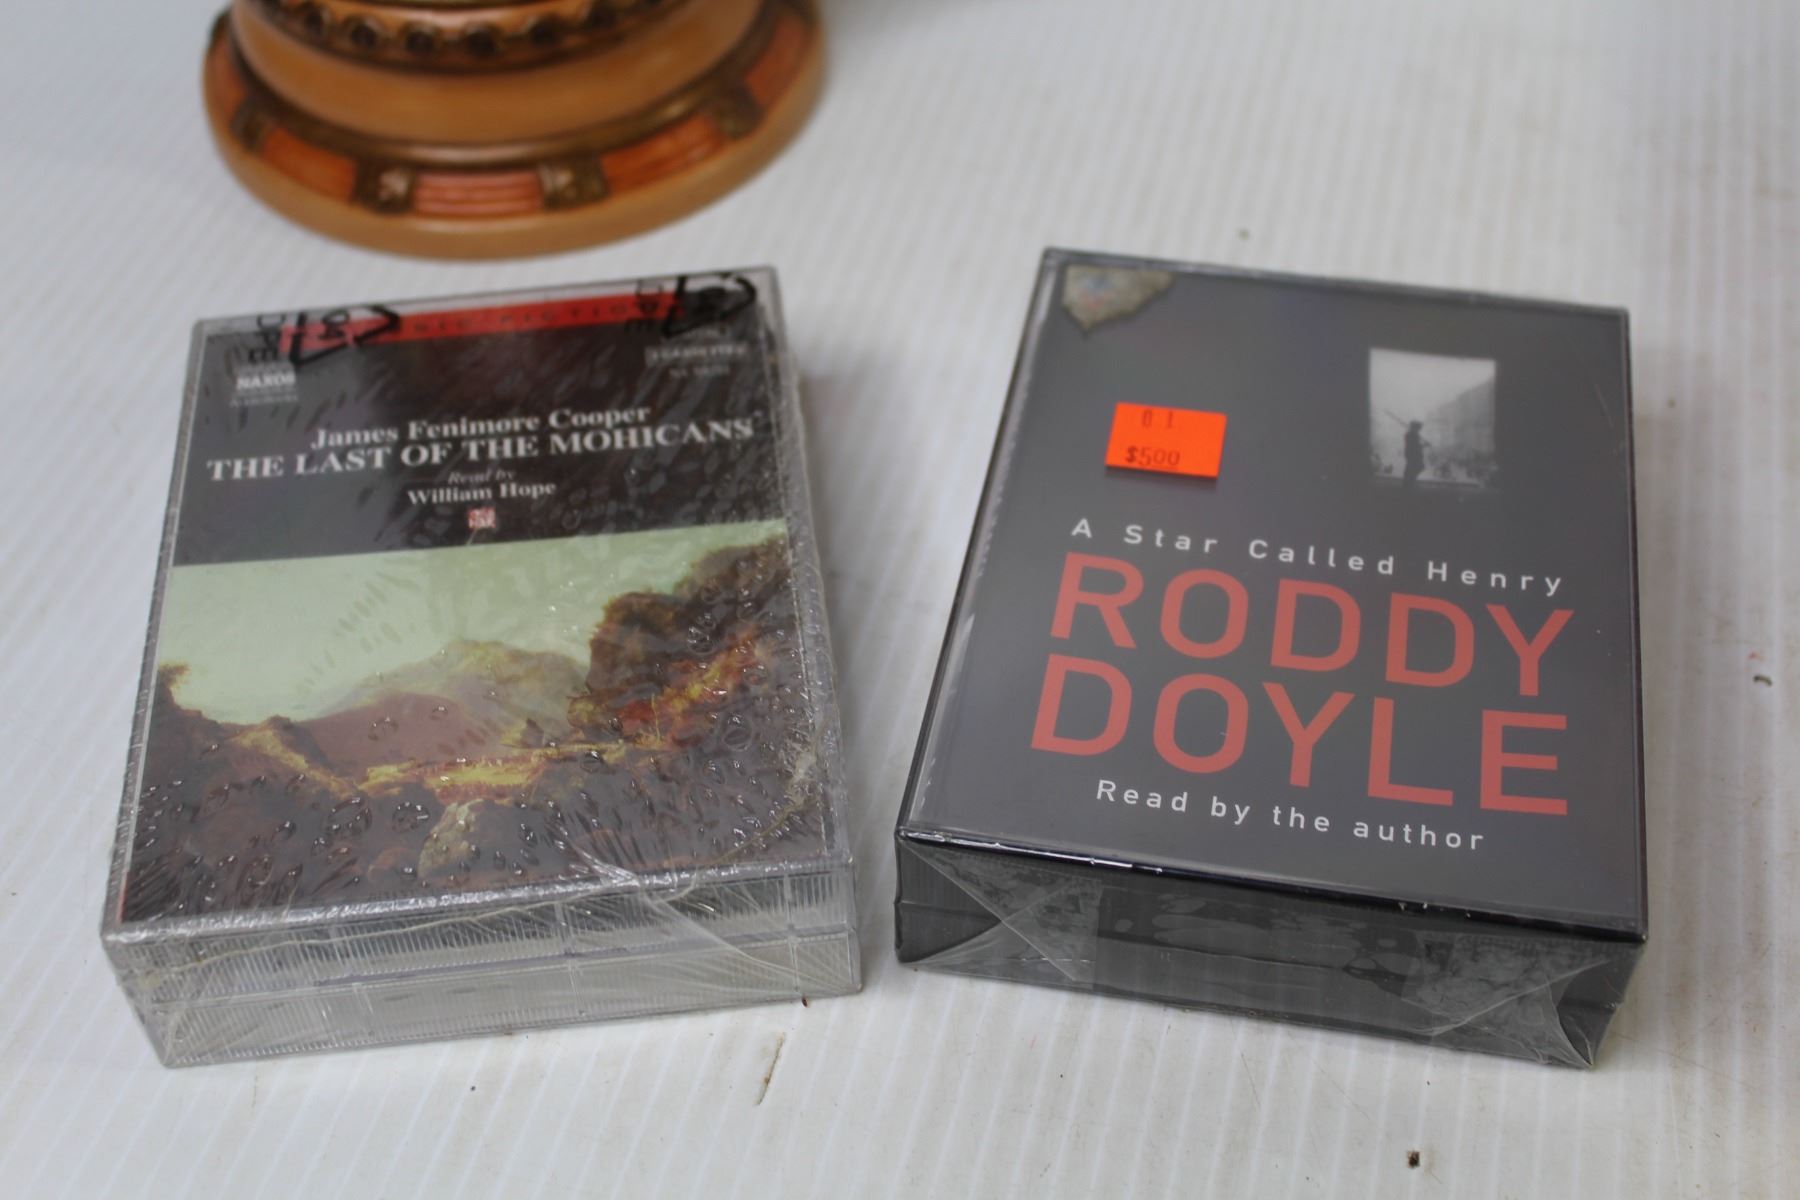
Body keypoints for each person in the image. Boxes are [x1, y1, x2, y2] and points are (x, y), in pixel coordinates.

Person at [1402, 420, 1428, 486]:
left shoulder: (1413, 434)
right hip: (1413, 455)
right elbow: (1415, 446)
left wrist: (1423, 444)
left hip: (1413, 454)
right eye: (1418, 428)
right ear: (1414, 427)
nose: (1419, 430)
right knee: (1415, 468)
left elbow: (1416, 445)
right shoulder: (1410, 435)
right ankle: (1409, 482)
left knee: (1414, 468)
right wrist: (1425, 445)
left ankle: (1410, 482)